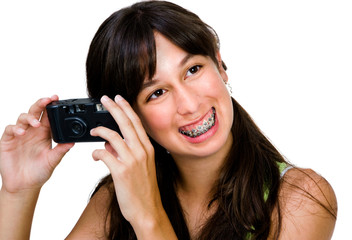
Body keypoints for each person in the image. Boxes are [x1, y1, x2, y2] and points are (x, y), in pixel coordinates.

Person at [0, 1, 337, 239]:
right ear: (129, 117)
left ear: (220, 65)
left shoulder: (299, 197)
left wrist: (147, 217)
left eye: (193, 70)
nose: (190, 104)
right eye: (156, 93)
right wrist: (18, 192)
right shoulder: (115, 200)